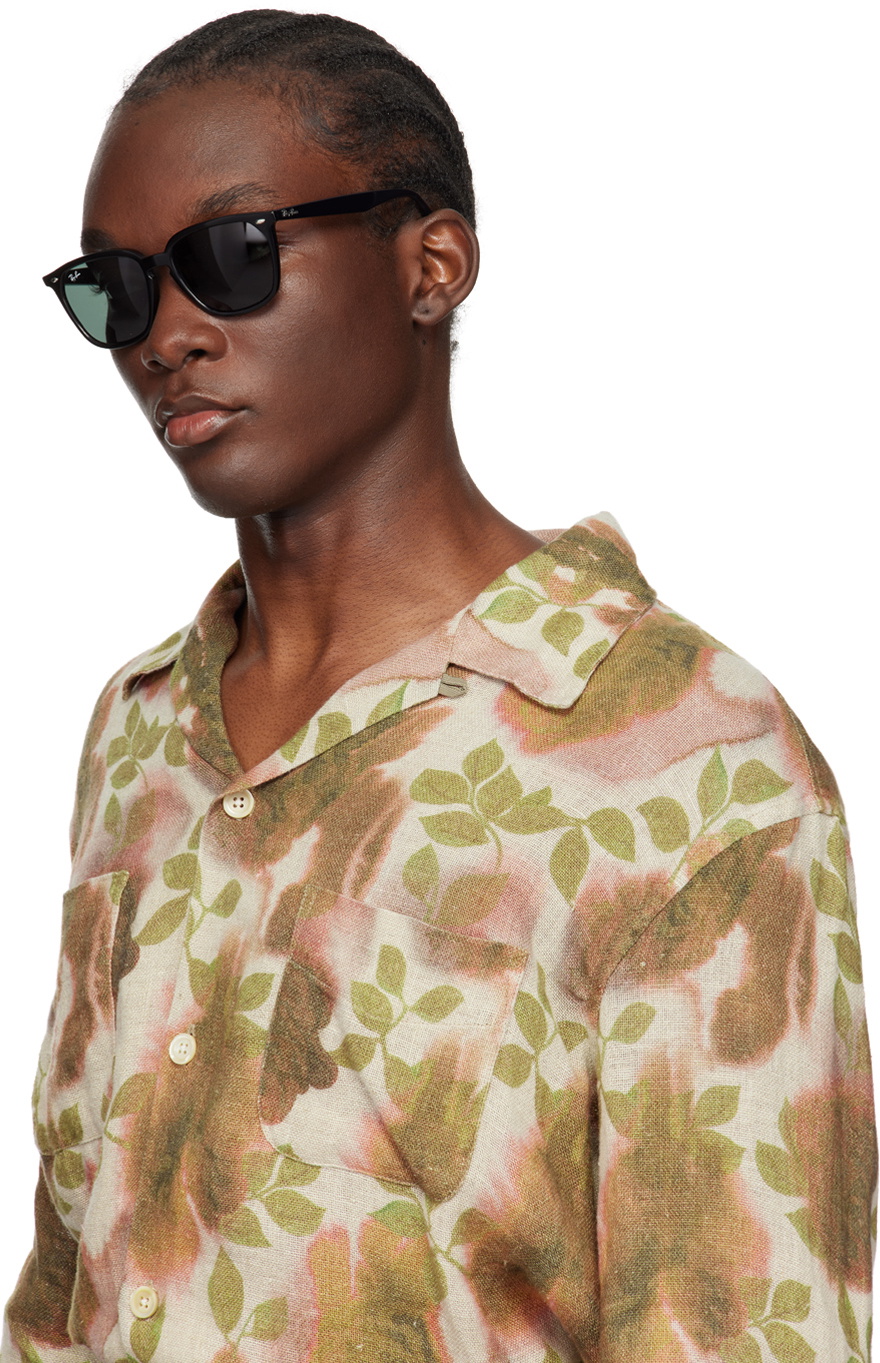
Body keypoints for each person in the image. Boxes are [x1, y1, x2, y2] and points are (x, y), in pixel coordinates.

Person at [3, 9, 875, 1362]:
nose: (165, 335)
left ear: (432, 264)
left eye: (231, 257)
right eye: (114, 290)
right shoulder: (138, 728)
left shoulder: (693, 759)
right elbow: (69, 1288)